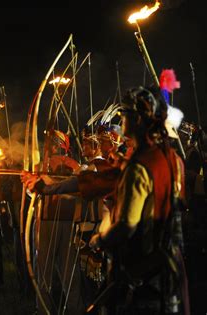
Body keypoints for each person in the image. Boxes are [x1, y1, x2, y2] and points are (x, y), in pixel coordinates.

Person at [87, 86, 189, 314]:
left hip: (142, 273)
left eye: (126, 114)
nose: (122, 118)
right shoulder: (174, 160)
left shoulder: (139, 167)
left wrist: (99, 240)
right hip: (170, 267)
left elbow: (126, 225)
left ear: (140, 119)